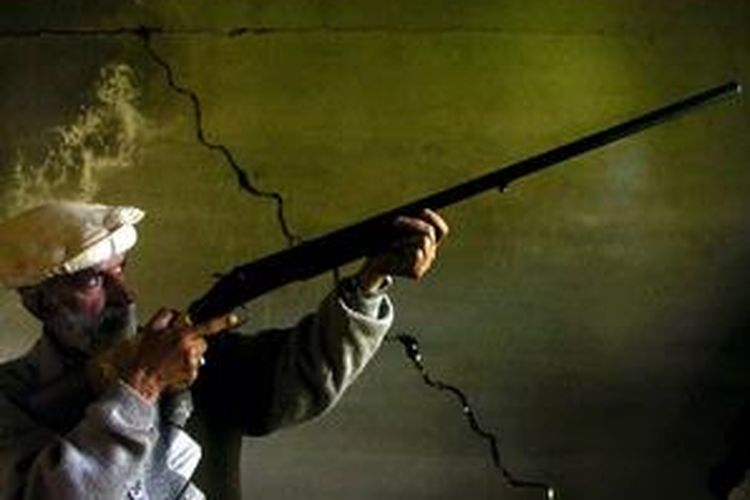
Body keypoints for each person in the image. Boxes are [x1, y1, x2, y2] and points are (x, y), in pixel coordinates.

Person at [0, 200, 448, 500]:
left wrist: (368, 285)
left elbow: (306, 378)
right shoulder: (10, 399)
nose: (127, 295)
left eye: (122, 270)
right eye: (95, 280)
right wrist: (144, 383)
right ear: (39, 303)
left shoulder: (192, 356)